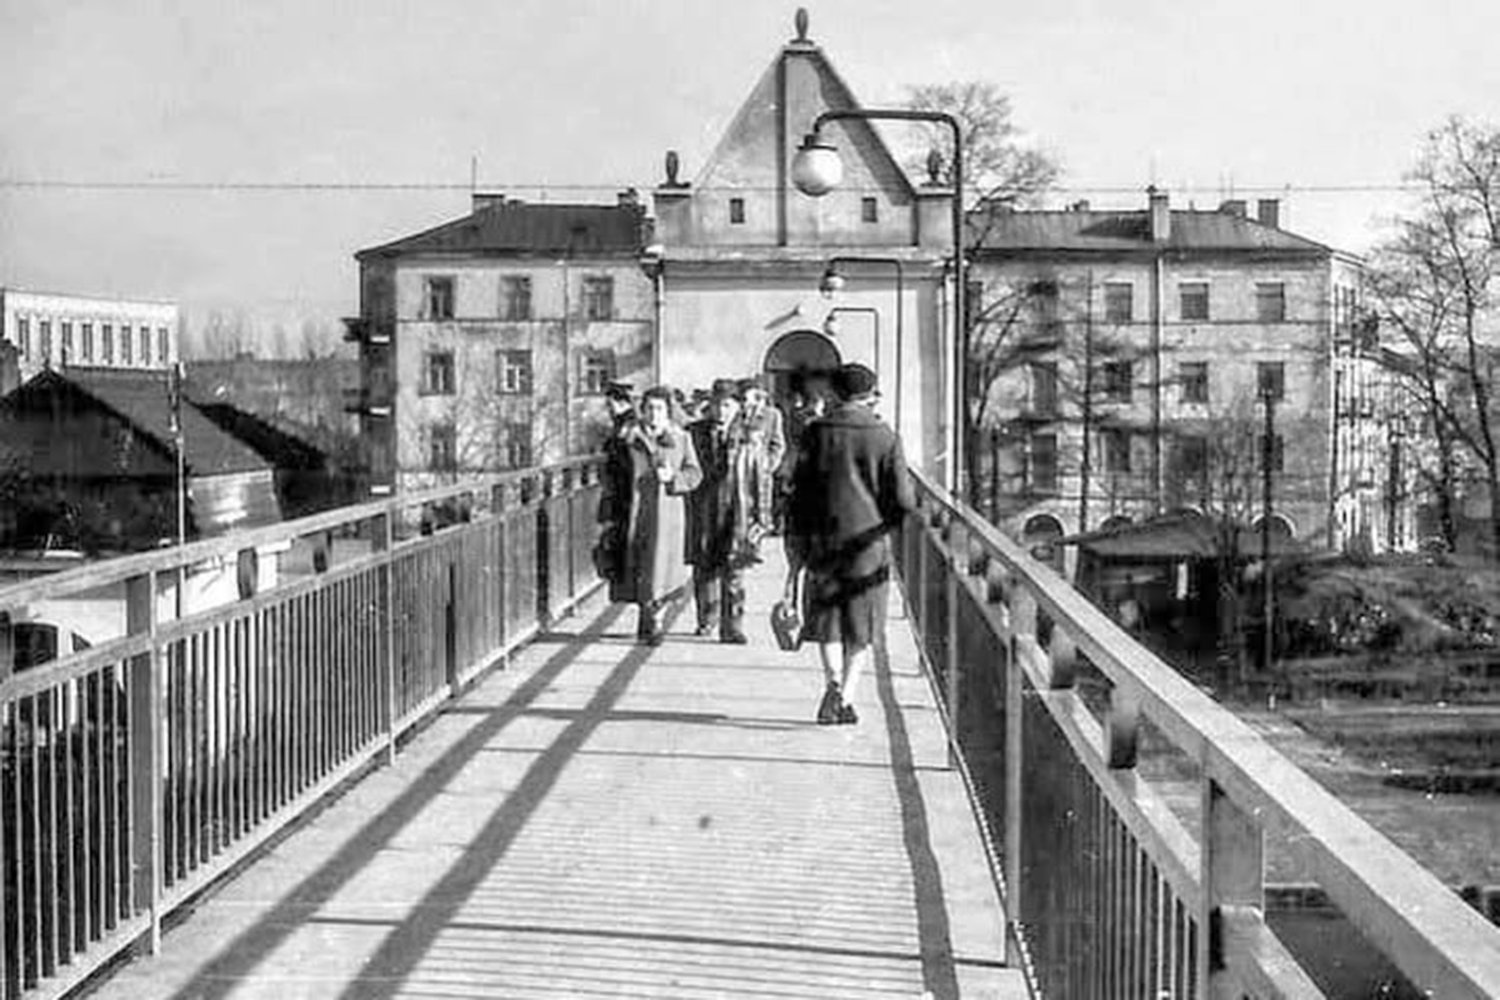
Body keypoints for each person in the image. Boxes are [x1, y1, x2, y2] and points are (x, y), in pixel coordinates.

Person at [787, 363, 914, 725]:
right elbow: (902, 500)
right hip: (868, 544)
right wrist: (889, 527)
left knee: (827, 618)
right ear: (869, 393)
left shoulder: (815, 432)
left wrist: (797, 539)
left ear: (835, 393)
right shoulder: (885, 436)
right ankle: (846, 694)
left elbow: (797, 490)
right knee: (861, 622)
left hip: (821, 539)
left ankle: (830, 685)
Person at [597, 385, 703, 644]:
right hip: (633, 512)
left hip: (666, 514)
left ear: (668, 413)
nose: (654, 414)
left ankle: (654, 620)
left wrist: (674, 478)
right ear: (642, 411)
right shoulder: (628, 439)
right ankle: (648, 617)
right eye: (649, 409)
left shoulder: (680, 438)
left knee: (662, 568)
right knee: (639, 565)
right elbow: (609, 471)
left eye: (659, 409)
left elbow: (695, 474)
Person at [686, 379, 773, 644]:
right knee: (704, 566)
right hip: (704, 507)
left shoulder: (750, 436)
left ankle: (733, 625)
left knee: (735, 567)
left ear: (737, 407)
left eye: (726, 405)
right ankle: (707, 618)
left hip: (739, 506)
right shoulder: (695, 432)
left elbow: (761, 477)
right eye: (716, 405)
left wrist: (763, 516)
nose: (721, 411)